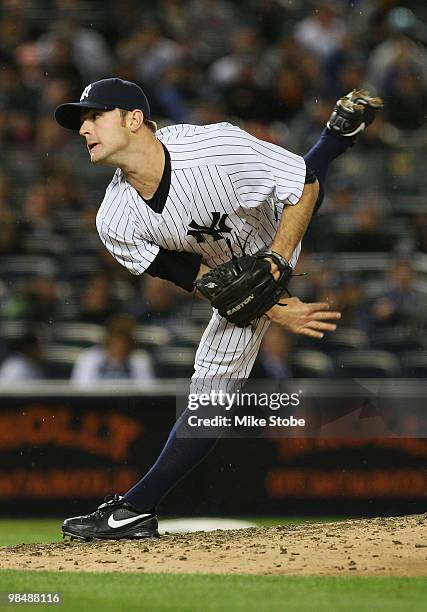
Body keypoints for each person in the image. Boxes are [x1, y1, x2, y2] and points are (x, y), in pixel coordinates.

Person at [54, 77, 382, 540]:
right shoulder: (115, 219)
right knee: (211, 397)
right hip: (229, 273)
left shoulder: (214, 148)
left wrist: (276, 263)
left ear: (133, 120)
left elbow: (303, 188)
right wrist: (274, 308)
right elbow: (201, 282)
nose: (83, 128)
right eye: (80, 121)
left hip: (278, 222)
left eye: (94, 115)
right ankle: (135, 512)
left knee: (299, 175)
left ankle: (333, 139)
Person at [70, 314, 154, 387]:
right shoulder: (90, 357)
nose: (119, 344)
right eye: (116, 338)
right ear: (108, 338)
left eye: (124, 339)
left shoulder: (140, 359)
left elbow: (146, 391)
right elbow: (80, 390)